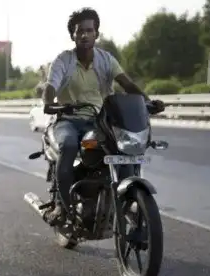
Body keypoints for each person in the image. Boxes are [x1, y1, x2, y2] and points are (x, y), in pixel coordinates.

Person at [42, 7, 162, 225]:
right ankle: (62, 204)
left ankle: (128, 197)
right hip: (69, 120)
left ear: (96, 33)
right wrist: (49, 103)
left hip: (99, 122)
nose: (85, 35)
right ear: (73, 35)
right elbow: (50, 87)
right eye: (80, 31)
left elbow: (127, 84)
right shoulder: (63, 61)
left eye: (89, 30)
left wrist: (147, 102)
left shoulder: (106, 60)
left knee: (123, 148)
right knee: (69, 145)